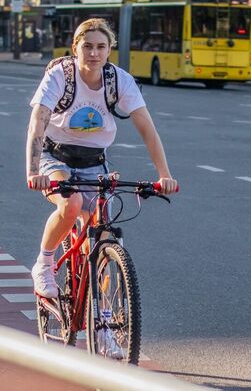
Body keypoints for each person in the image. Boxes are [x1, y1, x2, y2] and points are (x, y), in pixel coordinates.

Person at [26, 18, 178, 298]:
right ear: (76, 48)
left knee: (103, 236)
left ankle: (102, 313)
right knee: (71, 203)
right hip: (55, 157)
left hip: (95, 162)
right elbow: (38, 121)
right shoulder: (61, 76)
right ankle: (44, 263)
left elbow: (146, 127)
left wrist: (164, 175)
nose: (94, 53)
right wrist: (33, 170)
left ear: (110, 50)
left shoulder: (119, 80)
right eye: (87, 46)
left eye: (100, 47)